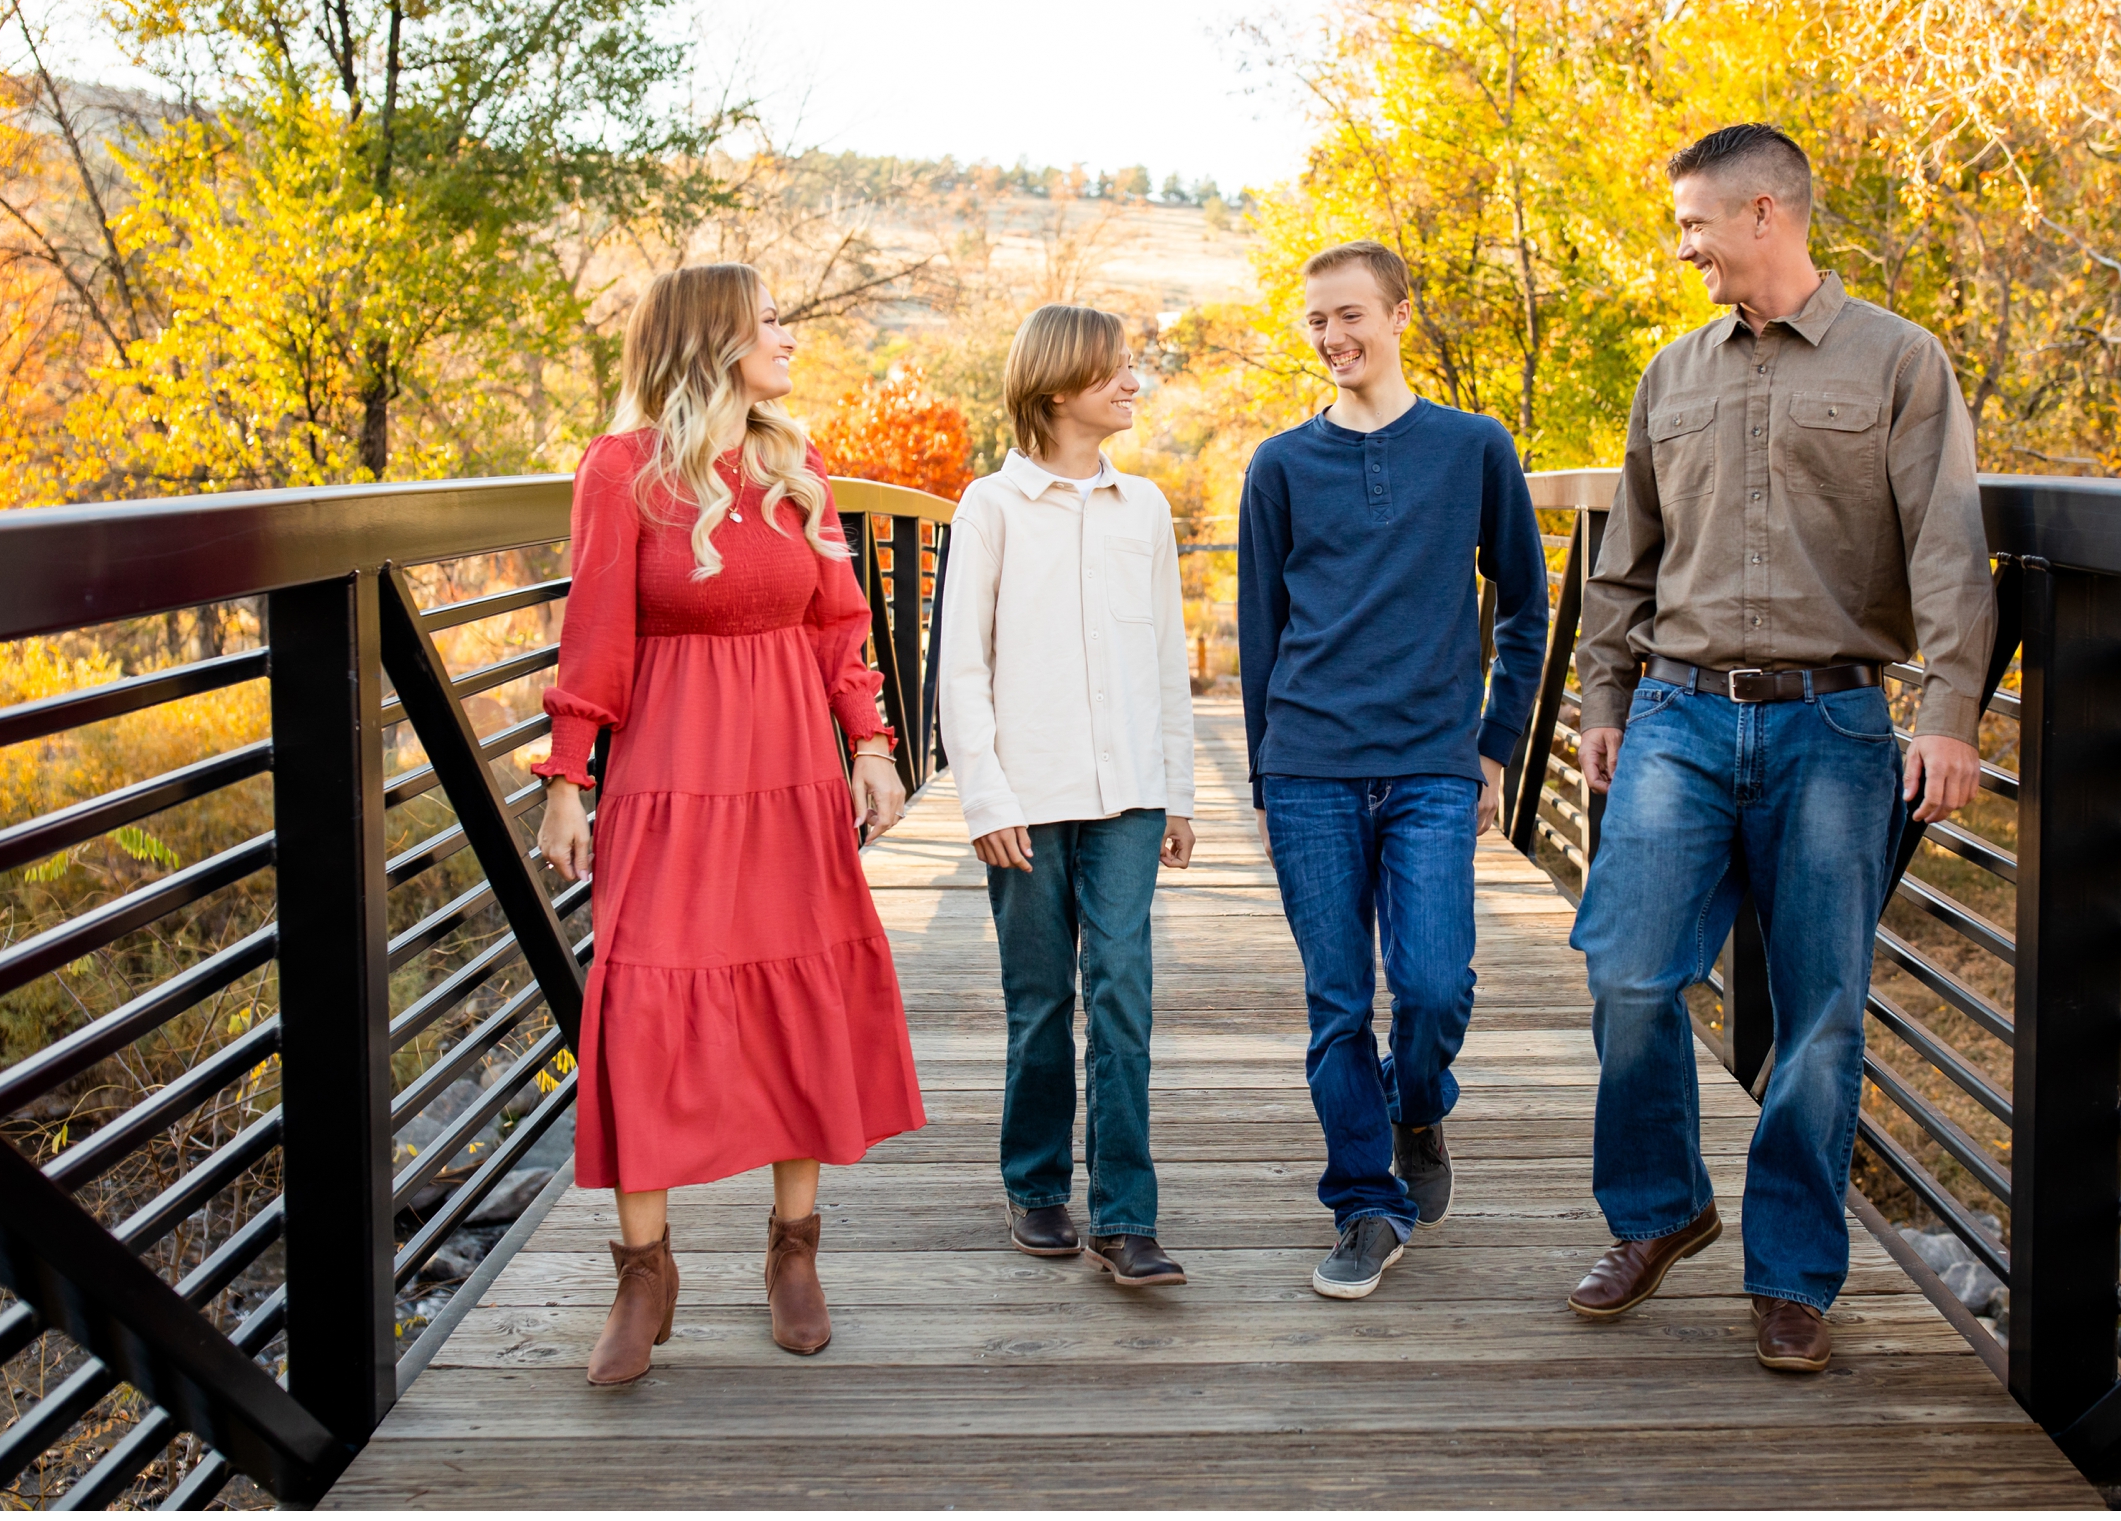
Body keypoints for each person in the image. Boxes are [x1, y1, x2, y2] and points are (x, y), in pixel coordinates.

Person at [1564, 124, 1994, 1372]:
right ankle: (1660, 1210)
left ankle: (1794, 1274)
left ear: (1766, 213)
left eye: (1695, 222)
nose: (1682, 245)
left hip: (1835, 725)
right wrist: (1601, 696)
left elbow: (1950, 550)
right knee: (1627, 975)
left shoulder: (1901, 362)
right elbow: (1623, 562)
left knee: (1822, 1016)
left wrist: (1952, 711)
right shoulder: (1671, 375)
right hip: (1678, 717)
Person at [533, 262, 927, 1385]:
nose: (788, 338)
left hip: (792, 769)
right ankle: (644, 1269)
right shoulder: (621, 469)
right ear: (715, 341)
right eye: (769, 324)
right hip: (668, 770)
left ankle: (793, 1251)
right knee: (645, 998)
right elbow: (596, 633)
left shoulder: (794, 464)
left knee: (794, 990)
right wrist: (568, 775)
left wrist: (871, 745)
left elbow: (840, 623)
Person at [1238, 240, 1550, 1300]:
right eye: (1317, 320)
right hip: (1310, 768)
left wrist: (1496, 743)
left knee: (1430, 983)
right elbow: (1259, 633)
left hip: (1430, 763)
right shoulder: (1279, 465)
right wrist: (1264, 774)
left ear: (1402, 314)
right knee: (1337, 1002)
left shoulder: (1473, 447)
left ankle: (1420, 1107)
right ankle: (1365, 1203)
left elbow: (1525, 605)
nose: (1333, 337)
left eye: (1352, 315)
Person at [937, 304, 1197, 1286]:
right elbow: (962, 670)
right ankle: (1038, 1182)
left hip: (1129, 791)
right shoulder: (990, 508)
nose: (1134, 384)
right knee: (1040, 999)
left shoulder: (1145, 508)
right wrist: (984, 800)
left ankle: (1127, 1214)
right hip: (1026, 802)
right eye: (1115, 372)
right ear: (1056, 389)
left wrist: (1176, 788)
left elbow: (1167, 663)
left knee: (1122, 991)